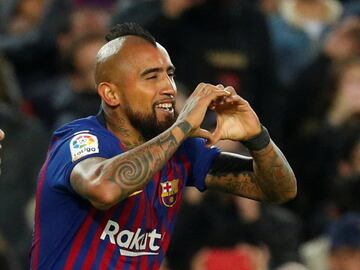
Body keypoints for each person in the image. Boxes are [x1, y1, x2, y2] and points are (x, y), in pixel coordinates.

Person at [30, 23, 297, 269]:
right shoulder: (79, 140)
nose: (169, 87)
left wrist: (257, 137)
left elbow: (278, 189)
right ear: (111, 94)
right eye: (151, 77)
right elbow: (105, 189)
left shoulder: (181, 152)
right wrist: (182, 127)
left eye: (169, 74)